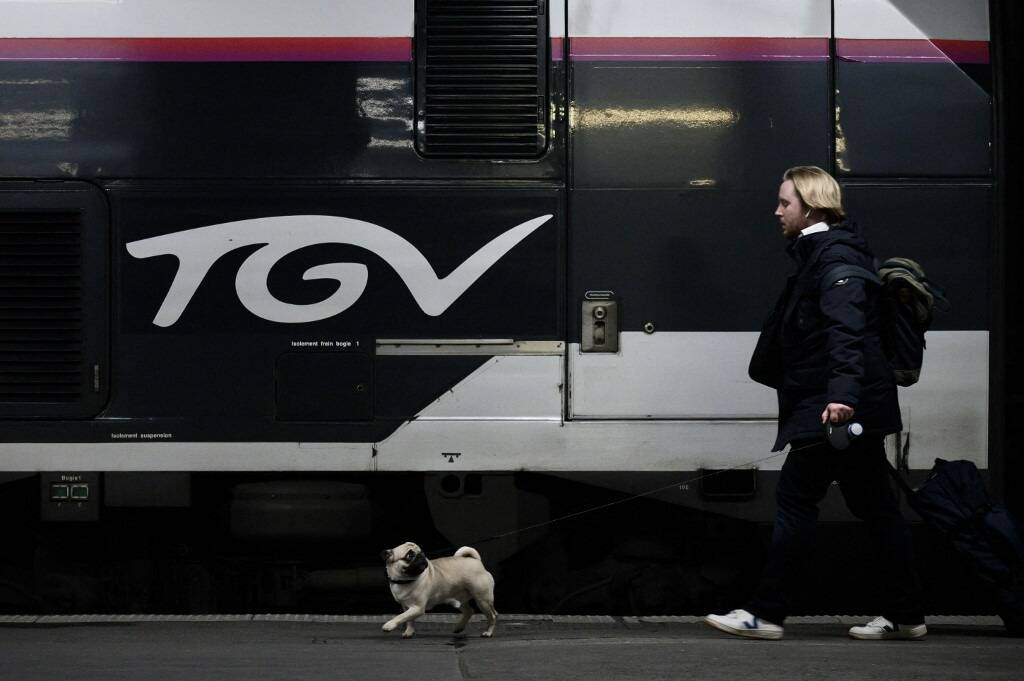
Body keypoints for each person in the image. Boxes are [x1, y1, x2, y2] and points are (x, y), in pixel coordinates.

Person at [704, 166, 926, 640]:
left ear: (811, 206)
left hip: (835, 408)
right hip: (844, 405)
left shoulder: (835, 262)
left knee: (795, 502)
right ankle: (907, 615)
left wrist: (842, 399)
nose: (777, 211)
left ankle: (765, 614)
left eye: (785, 202)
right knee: (878, 510)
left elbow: (848, 337)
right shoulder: (823, 255)